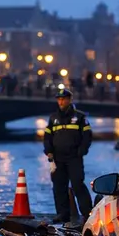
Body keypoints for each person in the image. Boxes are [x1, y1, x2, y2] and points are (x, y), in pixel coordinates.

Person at [43, 88, 93, 224]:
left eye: (63, 99)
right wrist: (48, 150)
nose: (61, 101)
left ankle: (87, 213)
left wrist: (81, 151)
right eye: (59, 99)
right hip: (58, 158)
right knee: (59, 187)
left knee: (78, 185)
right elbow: (47, 137)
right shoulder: (53, 118)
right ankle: (62, 214)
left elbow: (87, 136)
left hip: (74, 157)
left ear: (70, 100)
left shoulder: (80, 117)